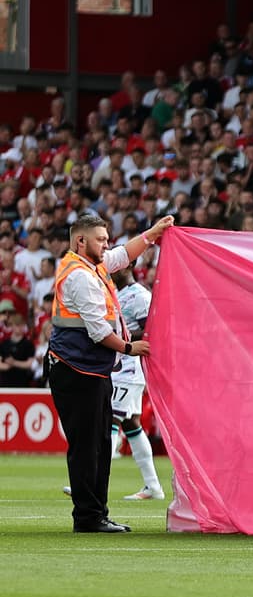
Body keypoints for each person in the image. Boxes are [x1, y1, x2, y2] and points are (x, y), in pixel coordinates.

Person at [48, 213, 174, 533]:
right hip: (78, 369)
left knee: (100, 443)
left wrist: (153, 234)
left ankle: (95, 513)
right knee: (89, 445)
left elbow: (123, 254)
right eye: (101, 239)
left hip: (88, 368)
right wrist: (131, 348)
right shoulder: (80, 275)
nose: (107, 245)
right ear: (81, 241)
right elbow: (97, 331)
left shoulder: (91, 265)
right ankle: (89, 517)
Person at [109, 267, 164, 500]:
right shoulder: (116, 293)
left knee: (109, 418)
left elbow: (154, 331)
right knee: (131, 423)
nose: (113, 270)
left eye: (118, 266)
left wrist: (126, 337)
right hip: (119, 368)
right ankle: (153, 486)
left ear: (130, 267)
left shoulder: (139, 295)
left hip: (131, 369)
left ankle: (92, 483)